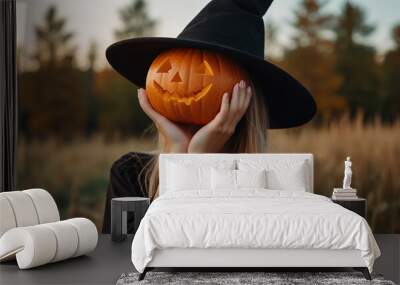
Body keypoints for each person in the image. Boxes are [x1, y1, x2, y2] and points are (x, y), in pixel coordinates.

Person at [102, 0, 317, 233]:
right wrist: (180, 156)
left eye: (204, 72)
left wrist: (200, 160)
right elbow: (134, 260)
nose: (178, 82)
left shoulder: (268, 186)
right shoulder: (130, 173)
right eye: (168, 69)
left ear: (245, 101)